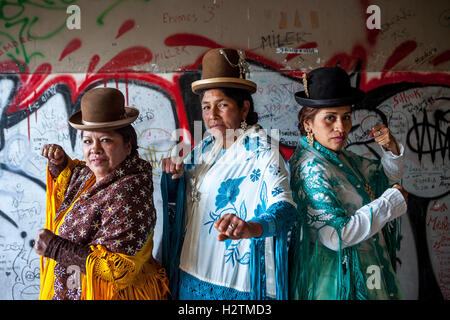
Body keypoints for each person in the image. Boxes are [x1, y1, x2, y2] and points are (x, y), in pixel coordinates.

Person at [161, 48, 297, 300]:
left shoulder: (262, 151)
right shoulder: (205, 149)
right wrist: (174, 176)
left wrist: (252, 228)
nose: (211, 116)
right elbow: (184, 199)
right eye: (206, 107)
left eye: (222, 105)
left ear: (244, 109)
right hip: (192, 269)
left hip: (234, 282)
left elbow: (286, 210)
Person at [35, 87, 169, 300]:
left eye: (106, 140)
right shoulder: (89, 176)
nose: (94, 149)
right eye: (88, 141)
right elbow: (71, 185)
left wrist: (55, 247)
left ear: (128, 145)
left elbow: (118, 271)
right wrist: (59, 164)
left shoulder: (129, 192)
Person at [288, 66, 408, 300]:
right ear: (308, 124)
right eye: (330, 118)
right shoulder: (310, 167)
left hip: (364, 272)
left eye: (346, 117)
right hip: (335, 283)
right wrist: (387, 205)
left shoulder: (341, 158)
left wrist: (390, 148)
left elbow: (384, 180)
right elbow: (335, 235)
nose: (341, 128)